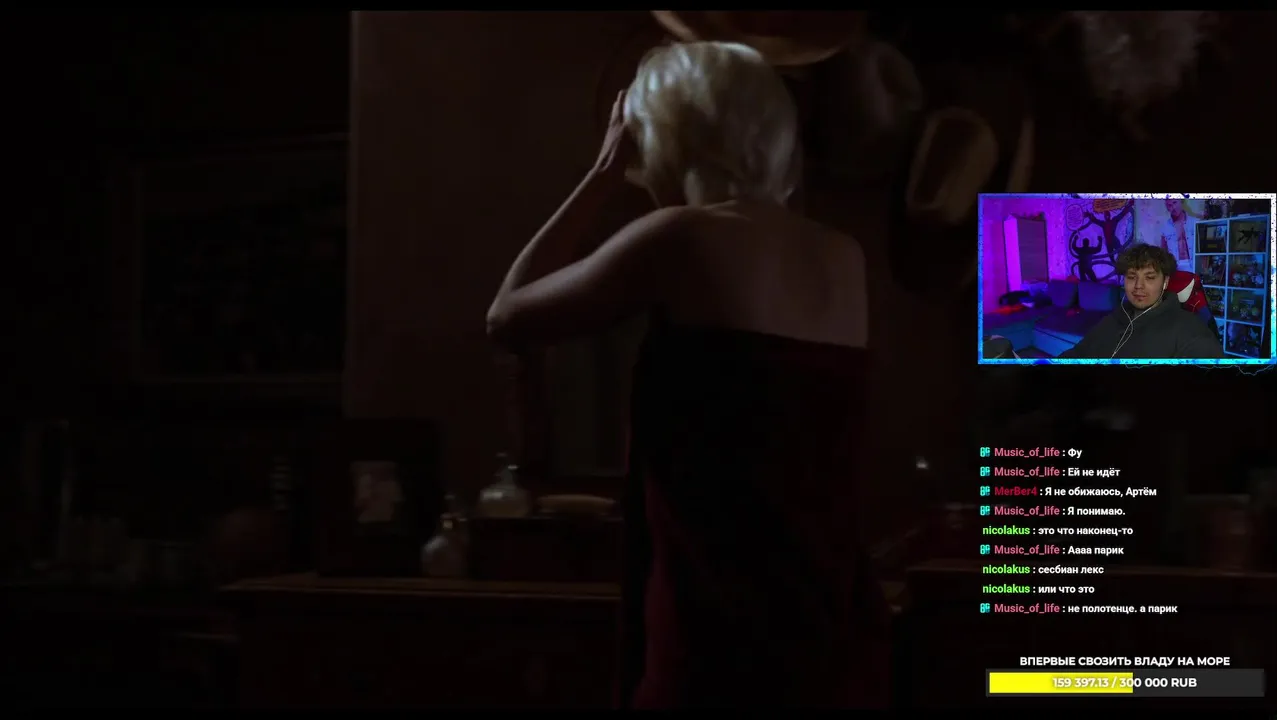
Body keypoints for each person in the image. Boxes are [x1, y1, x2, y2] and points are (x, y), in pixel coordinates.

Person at [486, 42, 891, 708]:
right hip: (831, 625)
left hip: (720, 633)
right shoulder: (840, 255)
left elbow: (507, 316)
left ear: (664, 139)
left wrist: (601, 173)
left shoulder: (679, 236)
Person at [1060, 244, 1223, 359]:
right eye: (1132, 277)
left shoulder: (1191, 331)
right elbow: (1079, 353)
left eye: (1149, 277)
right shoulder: (1113, 319)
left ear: (1165, 282)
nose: (1138, 286)